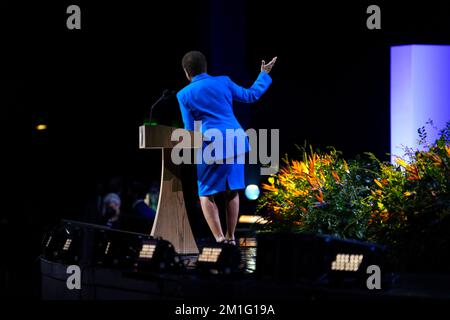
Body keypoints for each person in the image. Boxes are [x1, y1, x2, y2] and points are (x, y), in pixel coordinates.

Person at [176, 51, 276, 245]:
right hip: (235, 140)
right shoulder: (223, 81)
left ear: (186, 72)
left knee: (205, 192)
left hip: (211, 144)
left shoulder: (183, 94)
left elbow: (190, 130)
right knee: (232, 189)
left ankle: (220, 238)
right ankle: (231, 237)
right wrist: (263, 74)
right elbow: (251, 95)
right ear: (206, 67)